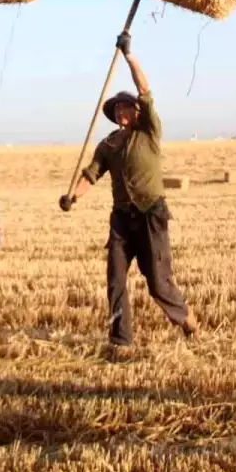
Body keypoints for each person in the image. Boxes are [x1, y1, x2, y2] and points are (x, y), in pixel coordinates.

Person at [60, 31, 198, 348]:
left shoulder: (149, 131)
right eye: (118, 108)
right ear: (113, 114)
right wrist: (72, 198)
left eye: (128, 107)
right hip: (121, 220)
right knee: (115, 281)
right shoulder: (108, 144)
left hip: (151, 213)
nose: (123, 111)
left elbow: (145, 89)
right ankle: (121, 340)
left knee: (158, 284)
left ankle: (187, 320)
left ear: (137, 111)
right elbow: (91, 175)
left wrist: (128, 55)